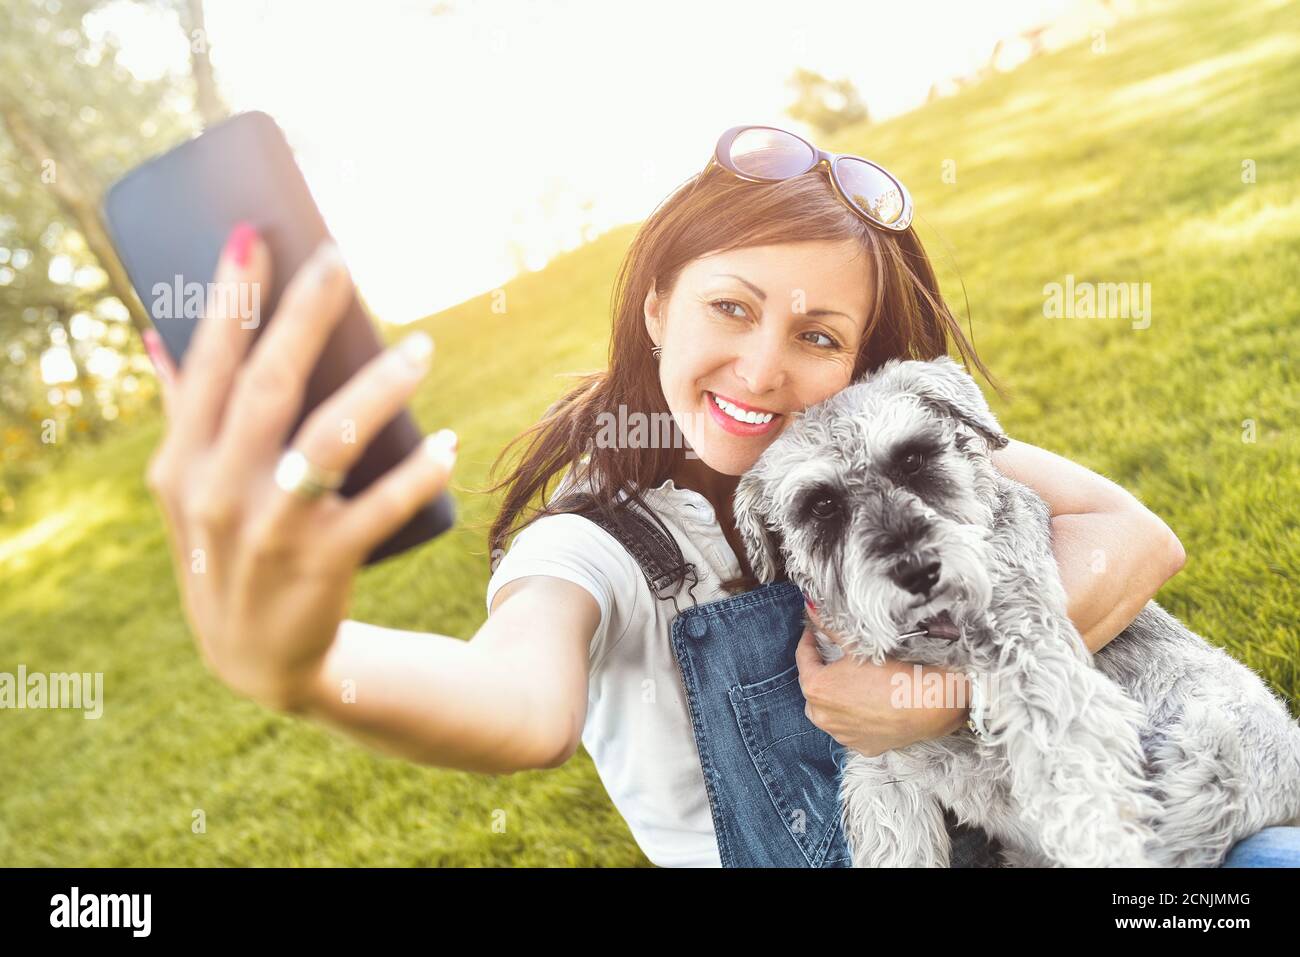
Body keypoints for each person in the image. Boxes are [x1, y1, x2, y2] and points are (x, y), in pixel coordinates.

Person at [141, 124, 1300, 868]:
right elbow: (517, 705)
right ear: (656, 308)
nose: (762, 371)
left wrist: (932, 696)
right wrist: (306, 670)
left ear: (858, 361)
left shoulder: (866, 445)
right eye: (730, 309)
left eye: (817, 335)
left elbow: (1137, 539)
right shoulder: (594, 548)